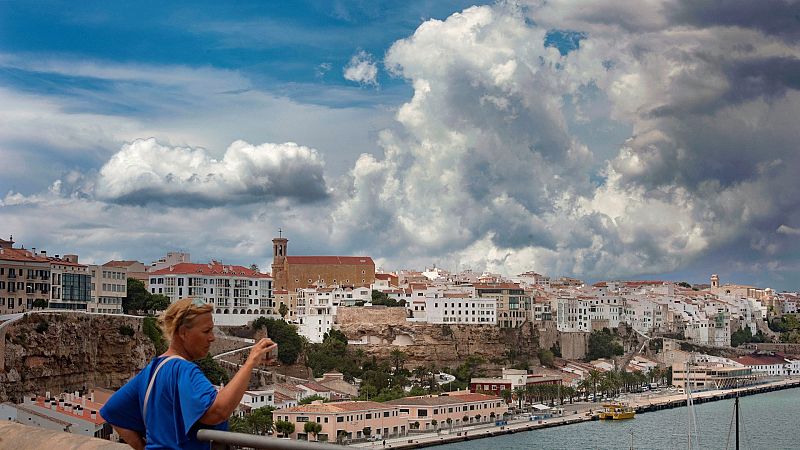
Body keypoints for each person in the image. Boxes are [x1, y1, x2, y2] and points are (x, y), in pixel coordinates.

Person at [100, 298, 277, 449]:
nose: (212, 338)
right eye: (206, 331)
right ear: (183, 333)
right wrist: (251, 362)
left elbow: (113, 411)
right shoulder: (183, 370)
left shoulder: (153, 368)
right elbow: (218, 412)